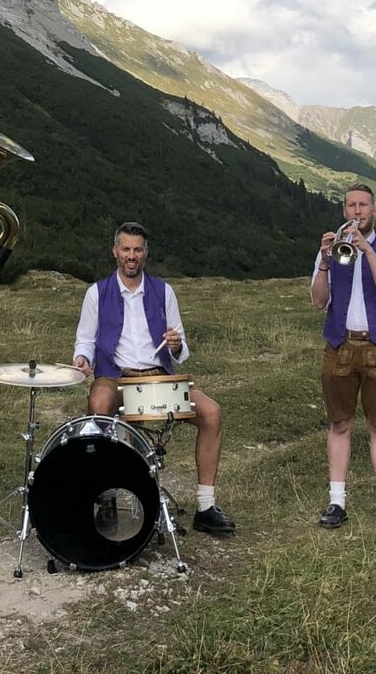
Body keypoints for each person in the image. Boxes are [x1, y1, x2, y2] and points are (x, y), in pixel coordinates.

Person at [71, 221, 236, 535]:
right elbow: (85, 339)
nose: (131, 256)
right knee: (99, 403)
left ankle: (206, 507)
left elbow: (180, 347)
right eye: (126, 249)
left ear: (145, 253)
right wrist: (82, 359)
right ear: (115, 251)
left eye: (137, 250)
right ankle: (105, 498)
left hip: (158, 376)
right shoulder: (97, 292)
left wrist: (176, 345)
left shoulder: (164, 291)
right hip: (115, 375)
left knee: (211, 413)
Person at [312, 185, 376, 528]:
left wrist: (366, 250)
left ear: (374, 211)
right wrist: (324, 262)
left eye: (363, 205)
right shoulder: (331, 249)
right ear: (344, 212)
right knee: (339, 424)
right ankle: (337, 501)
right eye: (351, 205)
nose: (357, 211)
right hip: (340, 345)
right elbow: (318, 301)